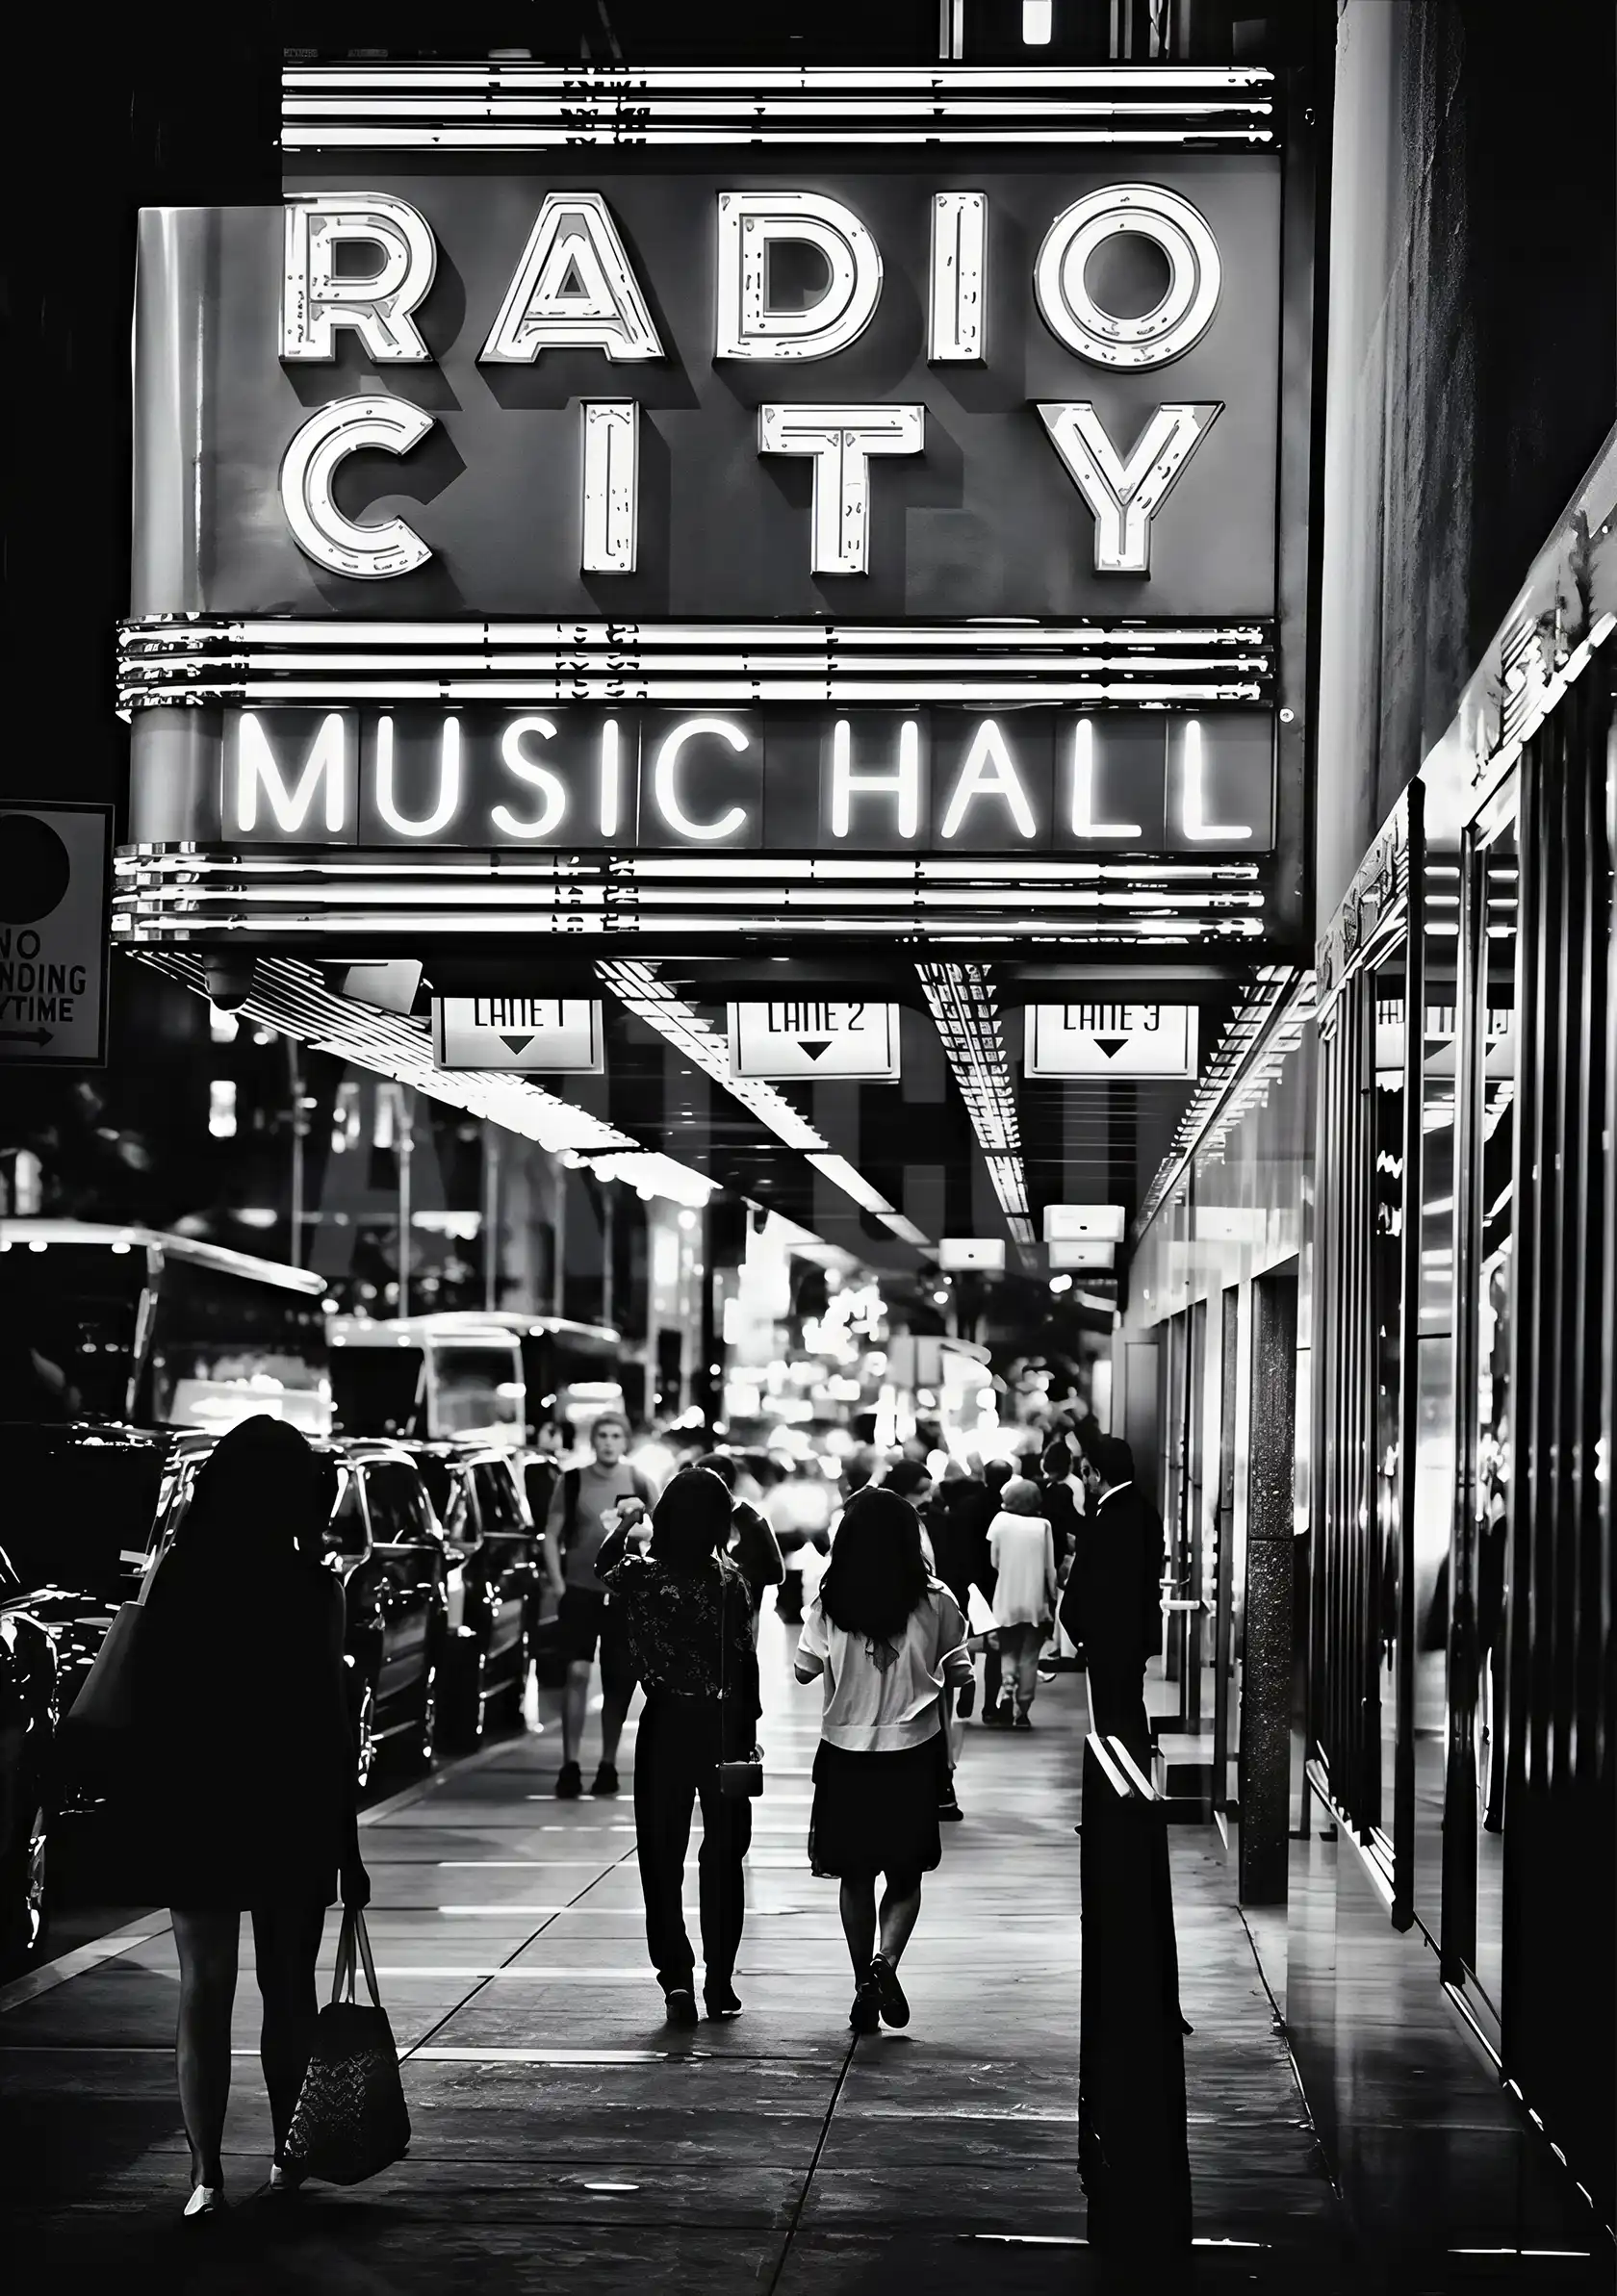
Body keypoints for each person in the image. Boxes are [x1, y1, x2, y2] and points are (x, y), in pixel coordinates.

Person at [128, 1416, 369, 2220]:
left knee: (203, 1990)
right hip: (290, 1804)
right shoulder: (314, 1587)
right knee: (287, 1990)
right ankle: (285, 2158)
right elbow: (334, 1726)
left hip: (196, 1800)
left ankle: (204, 2177)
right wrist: (349, 1841)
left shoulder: (180, 1575)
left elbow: (150, 1701)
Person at [795, 1486, 972, 2034]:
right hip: (912, 1753)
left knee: (854, 1873)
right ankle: (885, 1964)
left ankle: (860, 1983)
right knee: (904, 1871)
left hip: (844, 1752)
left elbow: (803, 1671)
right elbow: (961, 1673)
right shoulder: (937, 1599)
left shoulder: (829, 1602)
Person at [597, 1467, 760, 2026]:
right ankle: (721, 1980)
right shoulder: (728, 1581)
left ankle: (676, 1981)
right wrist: (749, 1732)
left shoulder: (640, 1576)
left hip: (663, 1723)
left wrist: (628, 1523)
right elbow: (745, 1660)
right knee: (723, 1856)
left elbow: (603, 1566)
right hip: (721, 1726)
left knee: (660, 1856)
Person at [543, 1413, 657, 1798]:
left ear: (625, 1440)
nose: (609, 1442)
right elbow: (552, 1534)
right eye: (602, 1436)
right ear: (593, 1441)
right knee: (575, 1673)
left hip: (622, 1595)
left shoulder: (640, 1481)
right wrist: (559, 1585)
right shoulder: (572, 1480)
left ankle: (607, 1762)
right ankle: (570, 1762)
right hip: (579, 1590)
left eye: (615, 1436)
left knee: (617, 1680)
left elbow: (660, 1533)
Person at [1061, 1432, 1167, 1762]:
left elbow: (1096, 1583)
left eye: (1086, 1470)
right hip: (1128, 1634)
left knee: (1115, 1719)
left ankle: (1120, 1804)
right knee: (1127, 1711)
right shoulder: (1141, 1510)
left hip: (1111, 1637)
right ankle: (1126, 1800)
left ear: (1098, 1474)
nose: (1083, 1477)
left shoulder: (1110, 1517)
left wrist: (1080, 1629)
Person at [988, 1477, 1059, 1728]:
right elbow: (1050, 1569)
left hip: (1006, 1598)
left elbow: (994, 1561)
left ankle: (1006, 1689)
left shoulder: (1000, 1521)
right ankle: (1023, 1710)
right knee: (1029, 1656)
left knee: (1007, 1649)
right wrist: (1052, 1597)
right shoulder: (1043, 1526)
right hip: (1034, 1602)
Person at [697, 1450, 785, 1641]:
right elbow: (775, 1569)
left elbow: (774, 1569)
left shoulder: (745, 1517)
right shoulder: (751, 1516)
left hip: (739, 1611)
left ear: (720, 1478)